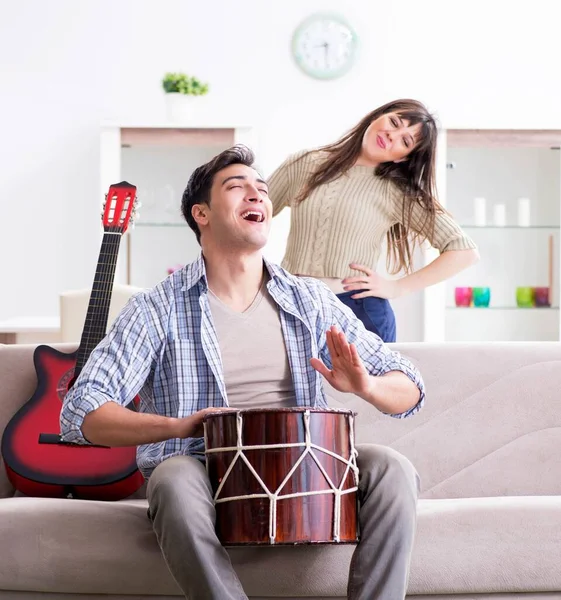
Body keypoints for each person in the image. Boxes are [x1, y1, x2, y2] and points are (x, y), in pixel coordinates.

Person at [60, 145, 425, 600]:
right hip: (201, 463)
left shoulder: (309, 299)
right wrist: (178, 426)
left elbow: (408, 383)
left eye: (262, 190)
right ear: (202, 214)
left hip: (304, 461)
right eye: (237, 187)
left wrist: (366, 385)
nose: (256, 195)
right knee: (171, 479)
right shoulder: (157, 307)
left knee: (393, 468)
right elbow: (81, 411)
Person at [267, 98, 479, 342]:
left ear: (403, 157)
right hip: (294, 306)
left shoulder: (396, 191)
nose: (392, 135)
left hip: (359, 314)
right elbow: (248, 216)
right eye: (394, 122)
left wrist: (397, 287)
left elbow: (464, 251)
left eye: (405, 141)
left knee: (367, 383)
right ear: (378, 115)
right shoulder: (305, 163)